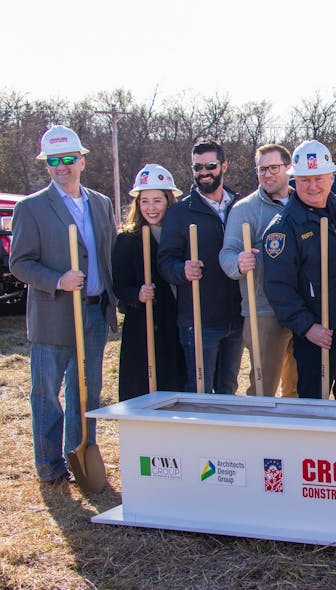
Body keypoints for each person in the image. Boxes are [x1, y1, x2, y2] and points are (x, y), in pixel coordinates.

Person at [9, 125, 118, 485]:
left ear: (82, 161)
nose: (62, 166)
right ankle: (50, 465)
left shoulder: (100, 204)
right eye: (54, 161)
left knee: (85, 390)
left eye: (68, 159)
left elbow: (108, 256)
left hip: (94, 312)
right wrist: (58, 279)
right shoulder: (32, 208)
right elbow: (20, 263)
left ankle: (80, 455)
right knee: (47, 391)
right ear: (47, 166)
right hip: (54, 313)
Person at [263, 140, 336, 400]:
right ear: (294, 180)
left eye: (319, 178)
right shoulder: (283, 227)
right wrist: (308, 328)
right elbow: (278, 287)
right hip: (318, 333)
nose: (313, 186)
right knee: (314, 403)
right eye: (305, 180)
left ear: (331, 177)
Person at [158, 140, 243, 394]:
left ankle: (226, 435)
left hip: (236, 319)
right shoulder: (181, 212)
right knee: (200, 391)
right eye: (197, 167)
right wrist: (182, 270)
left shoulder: (238, 207)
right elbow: (165, 261)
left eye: (210, 166)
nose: (203, 172)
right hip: (199, 320)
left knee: (228, 389)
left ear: (223, 166)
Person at [220, 144, 298, 397]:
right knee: (263, 389)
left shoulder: (303, 203)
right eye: (262, 169)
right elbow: (227, 252)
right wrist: (238, 263)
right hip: (264, 310)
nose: (267, 174)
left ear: (289, 169)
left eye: (274, 168)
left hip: (303, 310)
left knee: (297, 388)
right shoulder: (245, 209)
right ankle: (258, 434)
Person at [112, 165, 186, 400]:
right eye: (145, 201)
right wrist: (137, 294)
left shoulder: (181, 235)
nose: (151, 208)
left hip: (176, 321)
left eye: (157, 201)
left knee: (175, 380)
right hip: (143, 325)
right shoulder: (127, 239)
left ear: (169, 201)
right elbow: (118, 285)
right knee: (143, 384)